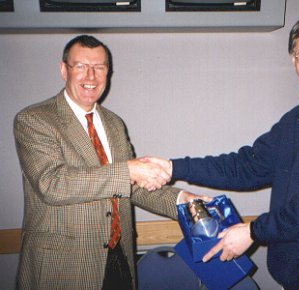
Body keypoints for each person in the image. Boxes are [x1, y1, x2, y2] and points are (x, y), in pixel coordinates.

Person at [146, 11, 299, 290]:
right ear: (294, 60)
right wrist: (172, 167)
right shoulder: (294, 121)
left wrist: (253, 232)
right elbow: (245, 167)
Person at [13, 35, 211, 290]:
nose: (91, 76)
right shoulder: (35, 120)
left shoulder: (114, 124)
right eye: (81, 66)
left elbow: (132, 186)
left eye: (99, 67)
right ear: (64, 70)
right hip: (62, 267)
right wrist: (129, 170)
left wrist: (181, 200)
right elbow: (53, 184)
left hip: (118, 260)